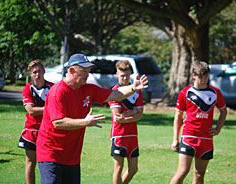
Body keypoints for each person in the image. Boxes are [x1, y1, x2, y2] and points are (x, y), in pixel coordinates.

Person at [36, 53, 148, 184]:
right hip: (51, 153)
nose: (87, 74)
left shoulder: (88, 89)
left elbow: (116, 94)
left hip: (72, 156)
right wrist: (85, 122)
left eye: (88, 71)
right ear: (71, 70)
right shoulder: (58, 92)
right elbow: (58, 122)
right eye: (83, 71)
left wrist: (133, 88)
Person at [170, 61, 227, 184]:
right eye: (201, 77)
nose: (203, 80)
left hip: (206, 139)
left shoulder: (215, 92)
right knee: (182, 172)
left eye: (206, 76)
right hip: (189, 137)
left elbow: (223, 111)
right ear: (193, 75)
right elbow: (178, 116)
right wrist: (175, 139)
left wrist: (218, 129)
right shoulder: (185, 93)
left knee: (199, 174)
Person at [18, 59, 54, 184]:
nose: (37, 74)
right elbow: (31, 110)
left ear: (44, 71)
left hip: (49, 131)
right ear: (31, 74)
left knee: (50, 163)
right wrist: (49, 109)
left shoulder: (53, 87)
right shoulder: (27, 89)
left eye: (39, 71)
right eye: (34, 72)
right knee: (31, 163)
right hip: (32, 131)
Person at [108, 61, 143, 184]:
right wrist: (133, 112)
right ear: (117, 74)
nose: (124, 78)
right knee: (118, 168)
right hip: (119, 135)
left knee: (133, 169)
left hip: (133, 135)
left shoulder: (137, 90)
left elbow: (140, 114)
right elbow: (117, 117)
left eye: (127, 75)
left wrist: (127, 115)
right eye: (122, 75)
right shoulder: (114, 92)